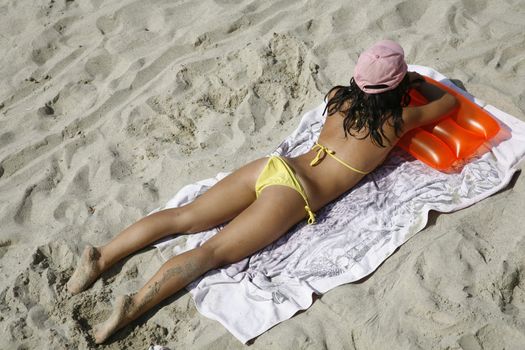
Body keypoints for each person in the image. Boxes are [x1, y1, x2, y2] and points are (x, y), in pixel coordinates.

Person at [66, 39, 457, 343]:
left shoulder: (339, 98)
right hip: (295, 195)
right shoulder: (396, 122)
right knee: (210, 253)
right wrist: (416, 81)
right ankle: (132, 306)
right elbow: (449, 101)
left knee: (183, 217)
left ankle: (100, 258)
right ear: (396, 86)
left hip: (274, 166)